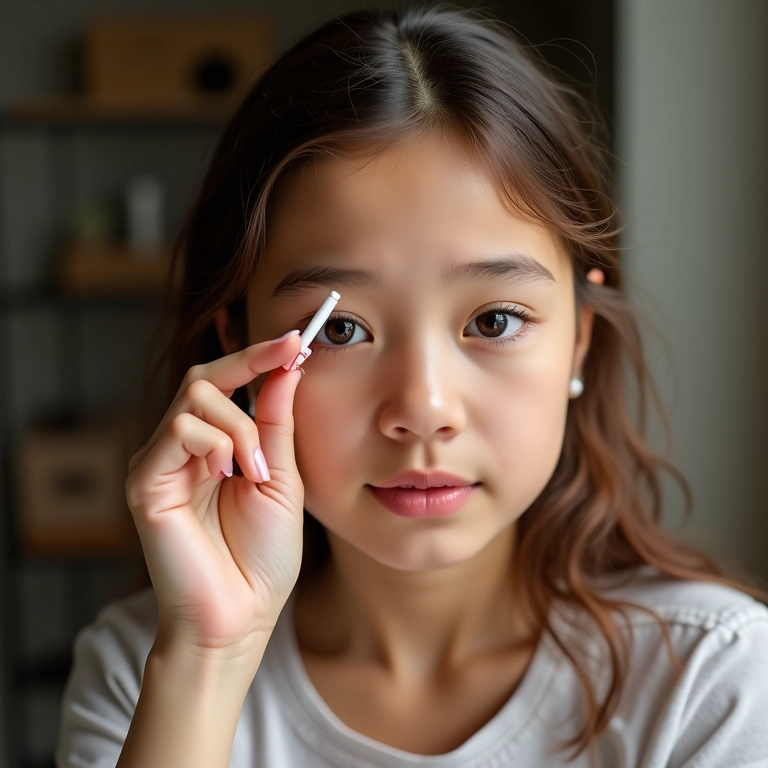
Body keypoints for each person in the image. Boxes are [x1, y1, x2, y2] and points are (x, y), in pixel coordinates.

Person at [55, 5, 768, 767]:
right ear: (239, 345)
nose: (423, 409)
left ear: (579, 340)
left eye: (494, 321)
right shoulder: (146, 675)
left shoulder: (715, 683)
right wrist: (207, 658)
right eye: (338, 330)